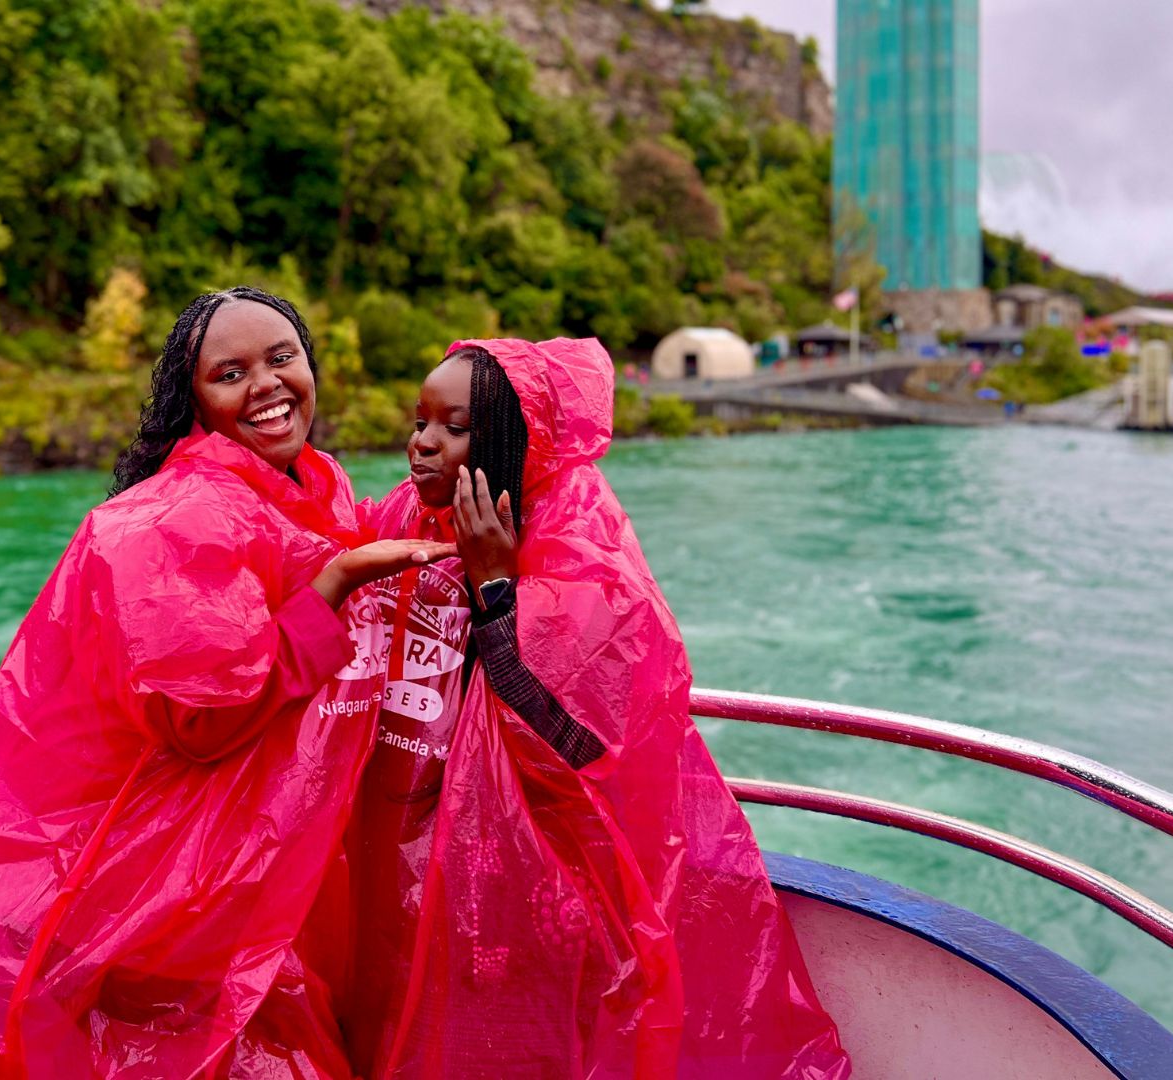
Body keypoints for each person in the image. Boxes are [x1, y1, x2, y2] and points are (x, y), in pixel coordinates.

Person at [0, 286, 451, 1078]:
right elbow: (203, 719)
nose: (265, 385)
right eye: (231, 373)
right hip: (163, 890)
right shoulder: (171, 519)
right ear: (191, 400)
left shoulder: (311, 486)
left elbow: (368, 534)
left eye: (281, 357)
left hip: (245, 871)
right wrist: (331, 589)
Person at [339, 338, 849, 1078]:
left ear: (511, 442)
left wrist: (495, 588)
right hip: (418, 863)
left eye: (452, 428)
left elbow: (582, 737)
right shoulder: (412, 515)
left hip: (532, 883)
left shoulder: (581, 549)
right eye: (419, 421)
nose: (421, 443)